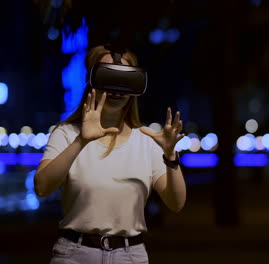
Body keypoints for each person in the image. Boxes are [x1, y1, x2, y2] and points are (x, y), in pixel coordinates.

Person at [34, 45, 187, 264]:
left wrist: (170, 156)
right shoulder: (67, 134)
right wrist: (82, 140)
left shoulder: (146, 142)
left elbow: (176, 203)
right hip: (75, 253)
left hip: (130, 255)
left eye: (125, 80)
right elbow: (42, 187)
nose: (116, 89)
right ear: (92, 81)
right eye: (108, 76)